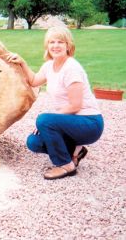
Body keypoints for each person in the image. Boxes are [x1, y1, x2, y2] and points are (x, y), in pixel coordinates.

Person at [6, 26, 104, 180]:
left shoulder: (72, 68)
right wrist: (22, 62)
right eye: (52, 42)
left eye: (60, 42)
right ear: (47, 45)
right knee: (34, 142)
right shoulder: (49, 66)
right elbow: (33, 81)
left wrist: (46, 121)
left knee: (44, 119)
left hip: (89, 123)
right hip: (71, 122)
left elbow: (75, 106)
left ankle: (66, 164)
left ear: (68, 45)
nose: (55, 46)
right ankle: (76, 151)